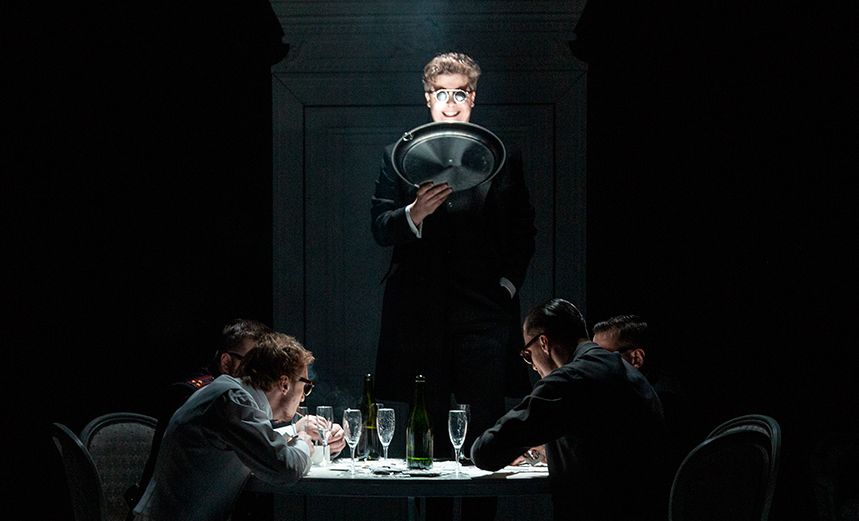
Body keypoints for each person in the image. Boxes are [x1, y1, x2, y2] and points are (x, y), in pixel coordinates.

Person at [371, 51, 536, 520]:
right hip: (419, 314)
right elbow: (380, 227)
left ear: (473, 98)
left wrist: (506, 287)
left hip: (483, 312)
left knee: (485, 428)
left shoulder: (501, 157)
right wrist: (413, 214)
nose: (450, 102)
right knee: (427, 429)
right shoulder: (398, 155)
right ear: (427, 98)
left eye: (459, 93)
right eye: (441, 93)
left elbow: (523, 230)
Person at [471, 298, 669, 521]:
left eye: (528, 355)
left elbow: (485, 452)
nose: (533, 366)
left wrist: (522, 440)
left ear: (543, 343)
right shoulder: (625, 370)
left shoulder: (567, 381)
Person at [128, 319, 343, 516]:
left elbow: (252, 440)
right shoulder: (232, 400)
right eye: (306, 387)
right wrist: (303, 442)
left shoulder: (231, 394)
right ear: (284, 384)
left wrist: (296, 430)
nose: (303, 398)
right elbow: (285, 469)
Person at [592, 314, 693, 472]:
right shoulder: (631, 393)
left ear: (636, 358)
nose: (589, 365)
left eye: (601, 356)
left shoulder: (662, 400)